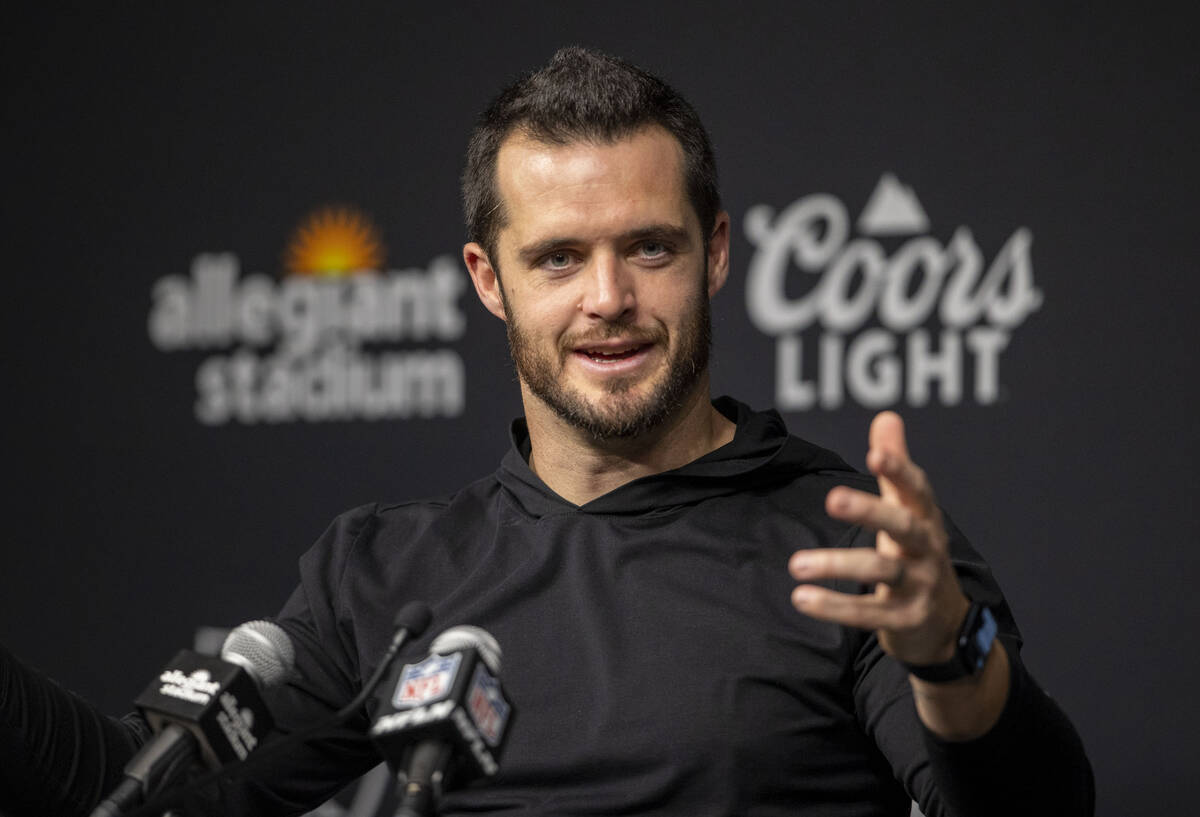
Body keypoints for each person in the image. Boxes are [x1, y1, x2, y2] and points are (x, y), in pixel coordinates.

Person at [1, 46, 1093, 817]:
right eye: (559, 257)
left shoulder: (853, 547)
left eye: (650, 249)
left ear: (715, 254)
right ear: (490, 278)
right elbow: (148, 791)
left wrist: (954, 654)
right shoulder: (381, 575)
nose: (607, 297)